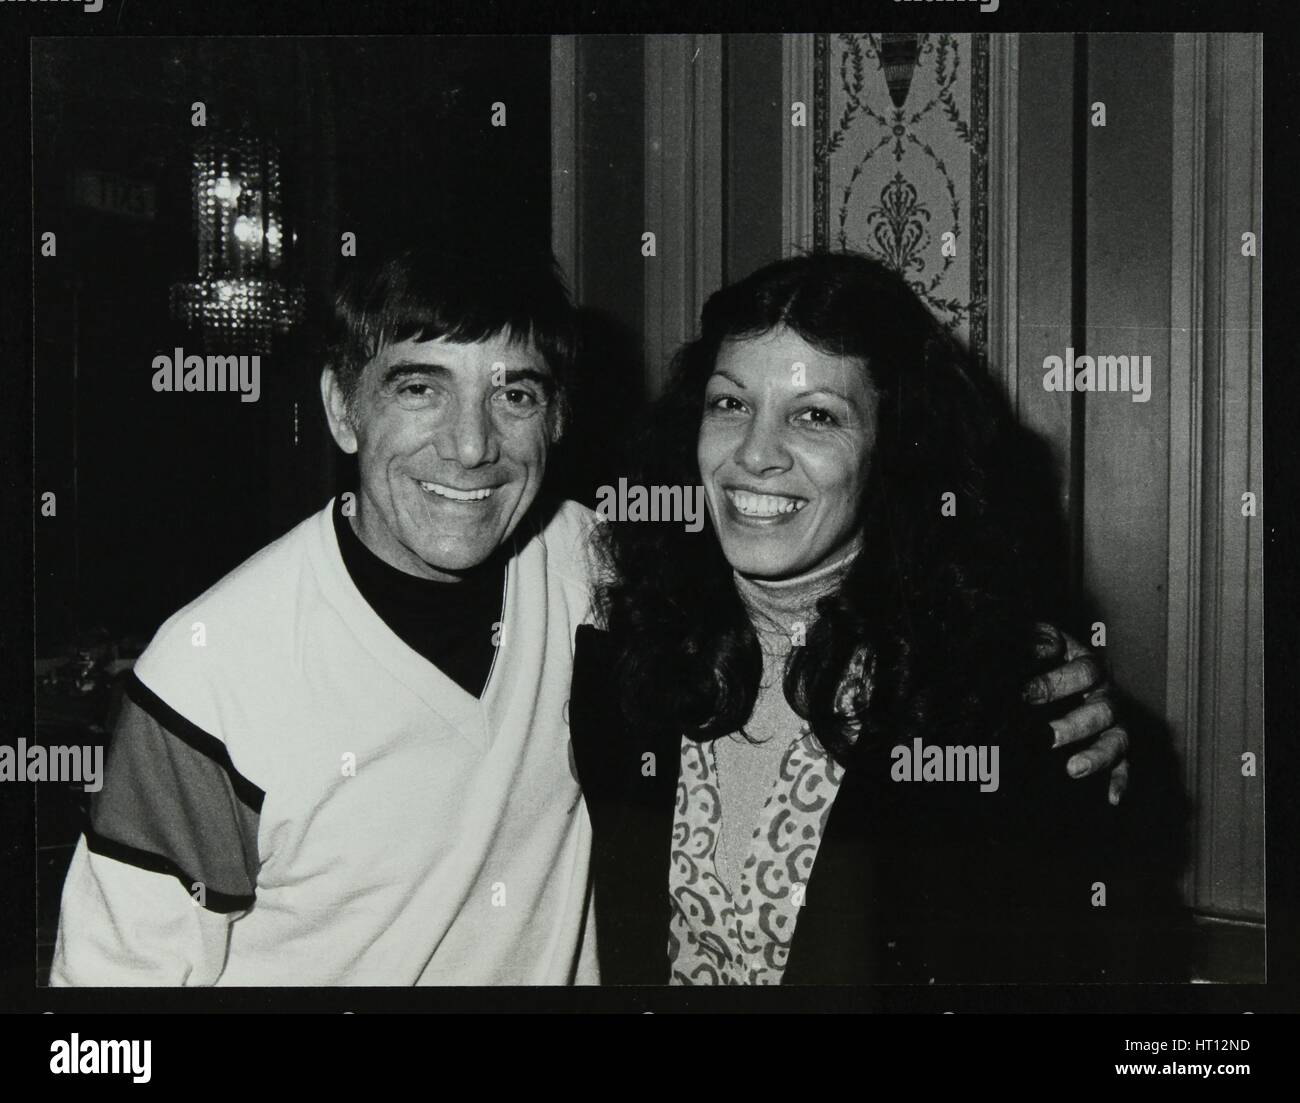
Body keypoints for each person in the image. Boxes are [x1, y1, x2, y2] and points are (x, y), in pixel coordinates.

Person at [52, 243, 1125, 987]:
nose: (469, 446)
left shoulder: (594, 571)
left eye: (513, 392)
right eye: (419, 386)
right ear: (341, 406)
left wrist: (1055, 685)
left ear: (558, 417)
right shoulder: (211, 673)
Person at [572, 251, 1143, 986]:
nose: (754, 454)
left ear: (893, 451)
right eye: (730, 403)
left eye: (815, 415)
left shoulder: (999, 708)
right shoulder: (627, 655)